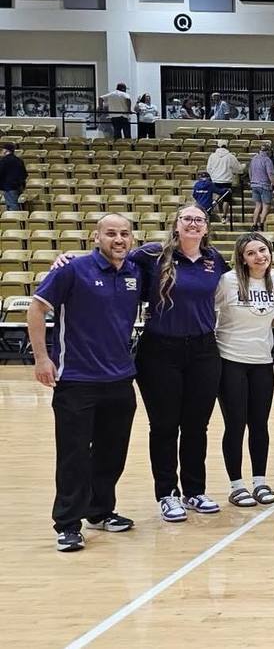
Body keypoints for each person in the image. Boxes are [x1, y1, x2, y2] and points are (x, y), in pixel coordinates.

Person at [29, 214, 140, 551]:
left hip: (120, 379)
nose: (118, 239)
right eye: (110, 233)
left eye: (124, 234)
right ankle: (67, 523)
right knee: (74, 455)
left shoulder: (135, 271)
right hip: (77, 380)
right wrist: (41, 358)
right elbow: (36, 310)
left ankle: (100, 511)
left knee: (111, 453)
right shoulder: (71, 268)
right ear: (96, 237)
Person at [133, 204, 229, 521]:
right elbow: (111, 262)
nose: (192, 223)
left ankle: (194, 491)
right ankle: (167, 494)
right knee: (163, 426)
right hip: (160, 350)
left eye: (199, 220)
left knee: (195, 426)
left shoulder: (214, 259)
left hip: (203, 350)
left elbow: (250, 275)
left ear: (206, 227)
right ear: (176, 224)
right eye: (186, 218)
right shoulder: (151, 255)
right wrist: (66, 260)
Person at [215, 234, 274, 508]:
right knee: (235, 424)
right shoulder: (226, 281)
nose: (259, 257)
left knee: (259, 424)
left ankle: (259, 481)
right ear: (242, 257)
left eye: (263, 250)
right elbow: (207, 310)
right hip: (230, 360)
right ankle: (236, 485)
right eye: (251, 253)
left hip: (263, 362)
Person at [206, 140, 243, 214]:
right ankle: (224, 216)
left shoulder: (212, 156)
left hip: (216, 180)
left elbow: (208, 169)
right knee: (226, 199)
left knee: (218, 197)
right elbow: (238, 169)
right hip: (226, 181)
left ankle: (219, 213)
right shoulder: (230, 156)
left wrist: (213, 176)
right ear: (227, 146)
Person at [248, 144, 274, 231]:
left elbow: (250, 171)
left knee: (257, 206)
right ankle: (261, 224)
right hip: (264, 185)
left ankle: (254, 224)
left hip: (254, 184)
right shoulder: (267, 160)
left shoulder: (254, 159)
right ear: (268, 151)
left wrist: (251, 180)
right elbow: (270, 174)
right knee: (265, 206)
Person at [0, 142, 28, 211]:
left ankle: (15, 219)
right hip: (19, 187)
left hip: (8, 188)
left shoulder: (3, 161)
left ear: (6, 151)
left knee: (12, 206)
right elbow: (24, 174)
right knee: (18, 204)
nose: (1, 151)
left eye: (2, 150)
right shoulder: (19, 160)